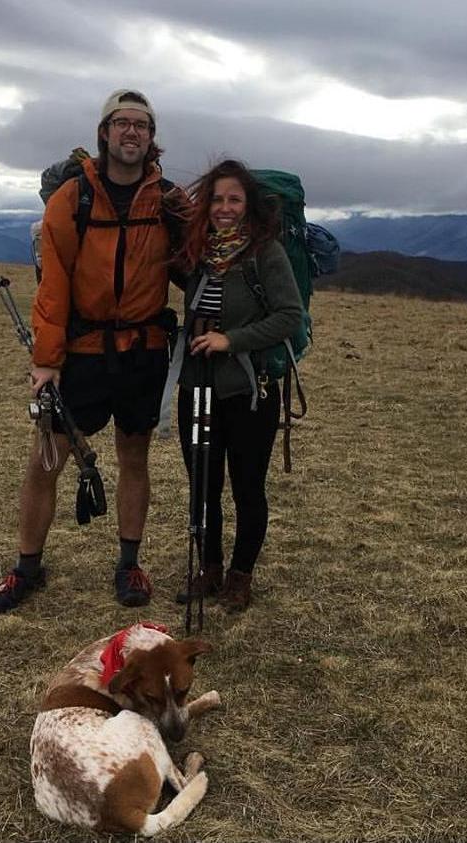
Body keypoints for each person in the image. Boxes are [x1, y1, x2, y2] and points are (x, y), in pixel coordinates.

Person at [0, 89, 180, 614]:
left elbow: (199, 257)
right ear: (105, 133)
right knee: (46, 461)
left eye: (142, 125)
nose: (132, 132)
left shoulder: (169, 200)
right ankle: (27, 568)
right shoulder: (73, 197)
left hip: (144, 350)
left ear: (152, 139)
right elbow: (54, 284)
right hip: (82, 352)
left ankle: (129, 565)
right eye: (122, 123)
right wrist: (46, 359)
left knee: (134, 458)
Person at [173, 159, 303, 612]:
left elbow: (290, 317)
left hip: (251, 392)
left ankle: (240, 575)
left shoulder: (266, 253)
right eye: (217, 199)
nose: (224, 208)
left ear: (249, 206)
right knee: (202, 485)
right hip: (196, 387)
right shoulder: (195, 252)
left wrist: (231, 340)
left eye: (234, 199)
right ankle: (209, 568)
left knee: (248, 487)